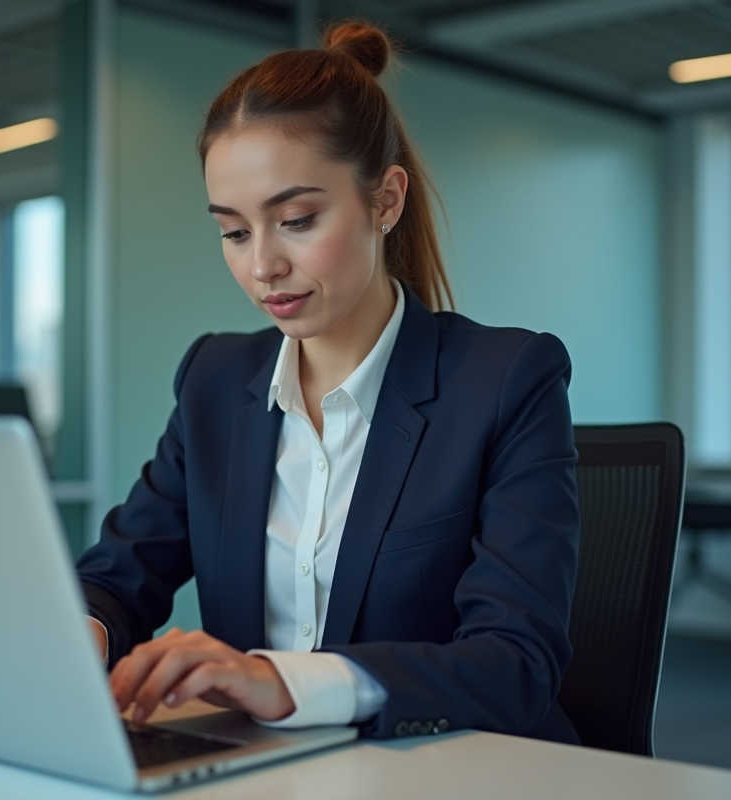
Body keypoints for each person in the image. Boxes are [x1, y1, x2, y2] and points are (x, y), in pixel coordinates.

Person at [76, 20, 580, 744]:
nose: (263, 266)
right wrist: (79, 637)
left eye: (297, 219)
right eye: (235, 231)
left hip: (444, 771)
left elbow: (516, 663)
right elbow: (119, 576)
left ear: (385, 200)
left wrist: (282, 683)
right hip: (269, 772)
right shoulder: (214, 381)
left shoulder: (507, 382)